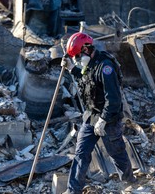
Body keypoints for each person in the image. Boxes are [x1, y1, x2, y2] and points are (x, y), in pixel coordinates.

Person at [61, 32, 136, 194]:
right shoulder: (90, 65)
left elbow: (114, 99)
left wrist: (103, 119)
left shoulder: (105, 67)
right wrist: (72, 69)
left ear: (87, 49)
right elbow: (86, 82)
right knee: (81, 153)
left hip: (109, 118)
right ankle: (73, 190)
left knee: (116, 153)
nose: (77, 60)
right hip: (91, 116)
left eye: (77, 56)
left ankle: (130, 183)